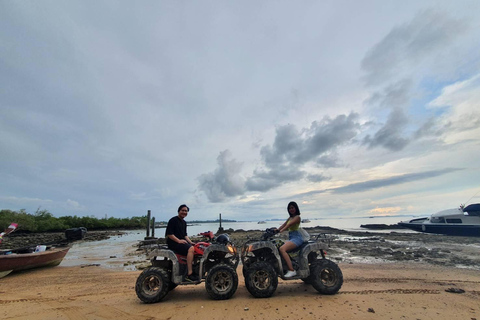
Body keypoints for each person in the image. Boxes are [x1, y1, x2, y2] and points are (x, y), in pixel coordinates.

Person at [165, 204, 198, 282]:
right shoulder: (173, 220)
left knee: (195, 247)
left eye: (186, 211)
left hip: (181, 243)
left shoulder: (184, 222)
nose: (184, 212)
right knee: (190, 248)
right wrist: (178, 241)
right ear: (179, 211)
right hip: (174, 243)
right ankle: (189, 273)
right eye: (182, 210)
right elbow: (169, 234)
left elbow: (184, 235)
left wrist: (191, 242)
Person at [275, 201, 303, 278]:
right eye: (289, 208)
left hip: (297, 238)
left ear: (296, 208)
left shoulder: (297, 217)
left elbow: (289, 225)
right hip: (291, 237)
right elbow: (284, 224)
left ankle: (291, 270)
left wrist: (280, 231)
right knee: (277, 246)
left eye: (292, 207)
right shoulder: (290, 218)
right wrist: (276, 230)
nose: (291, 209)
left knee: (282, 249)